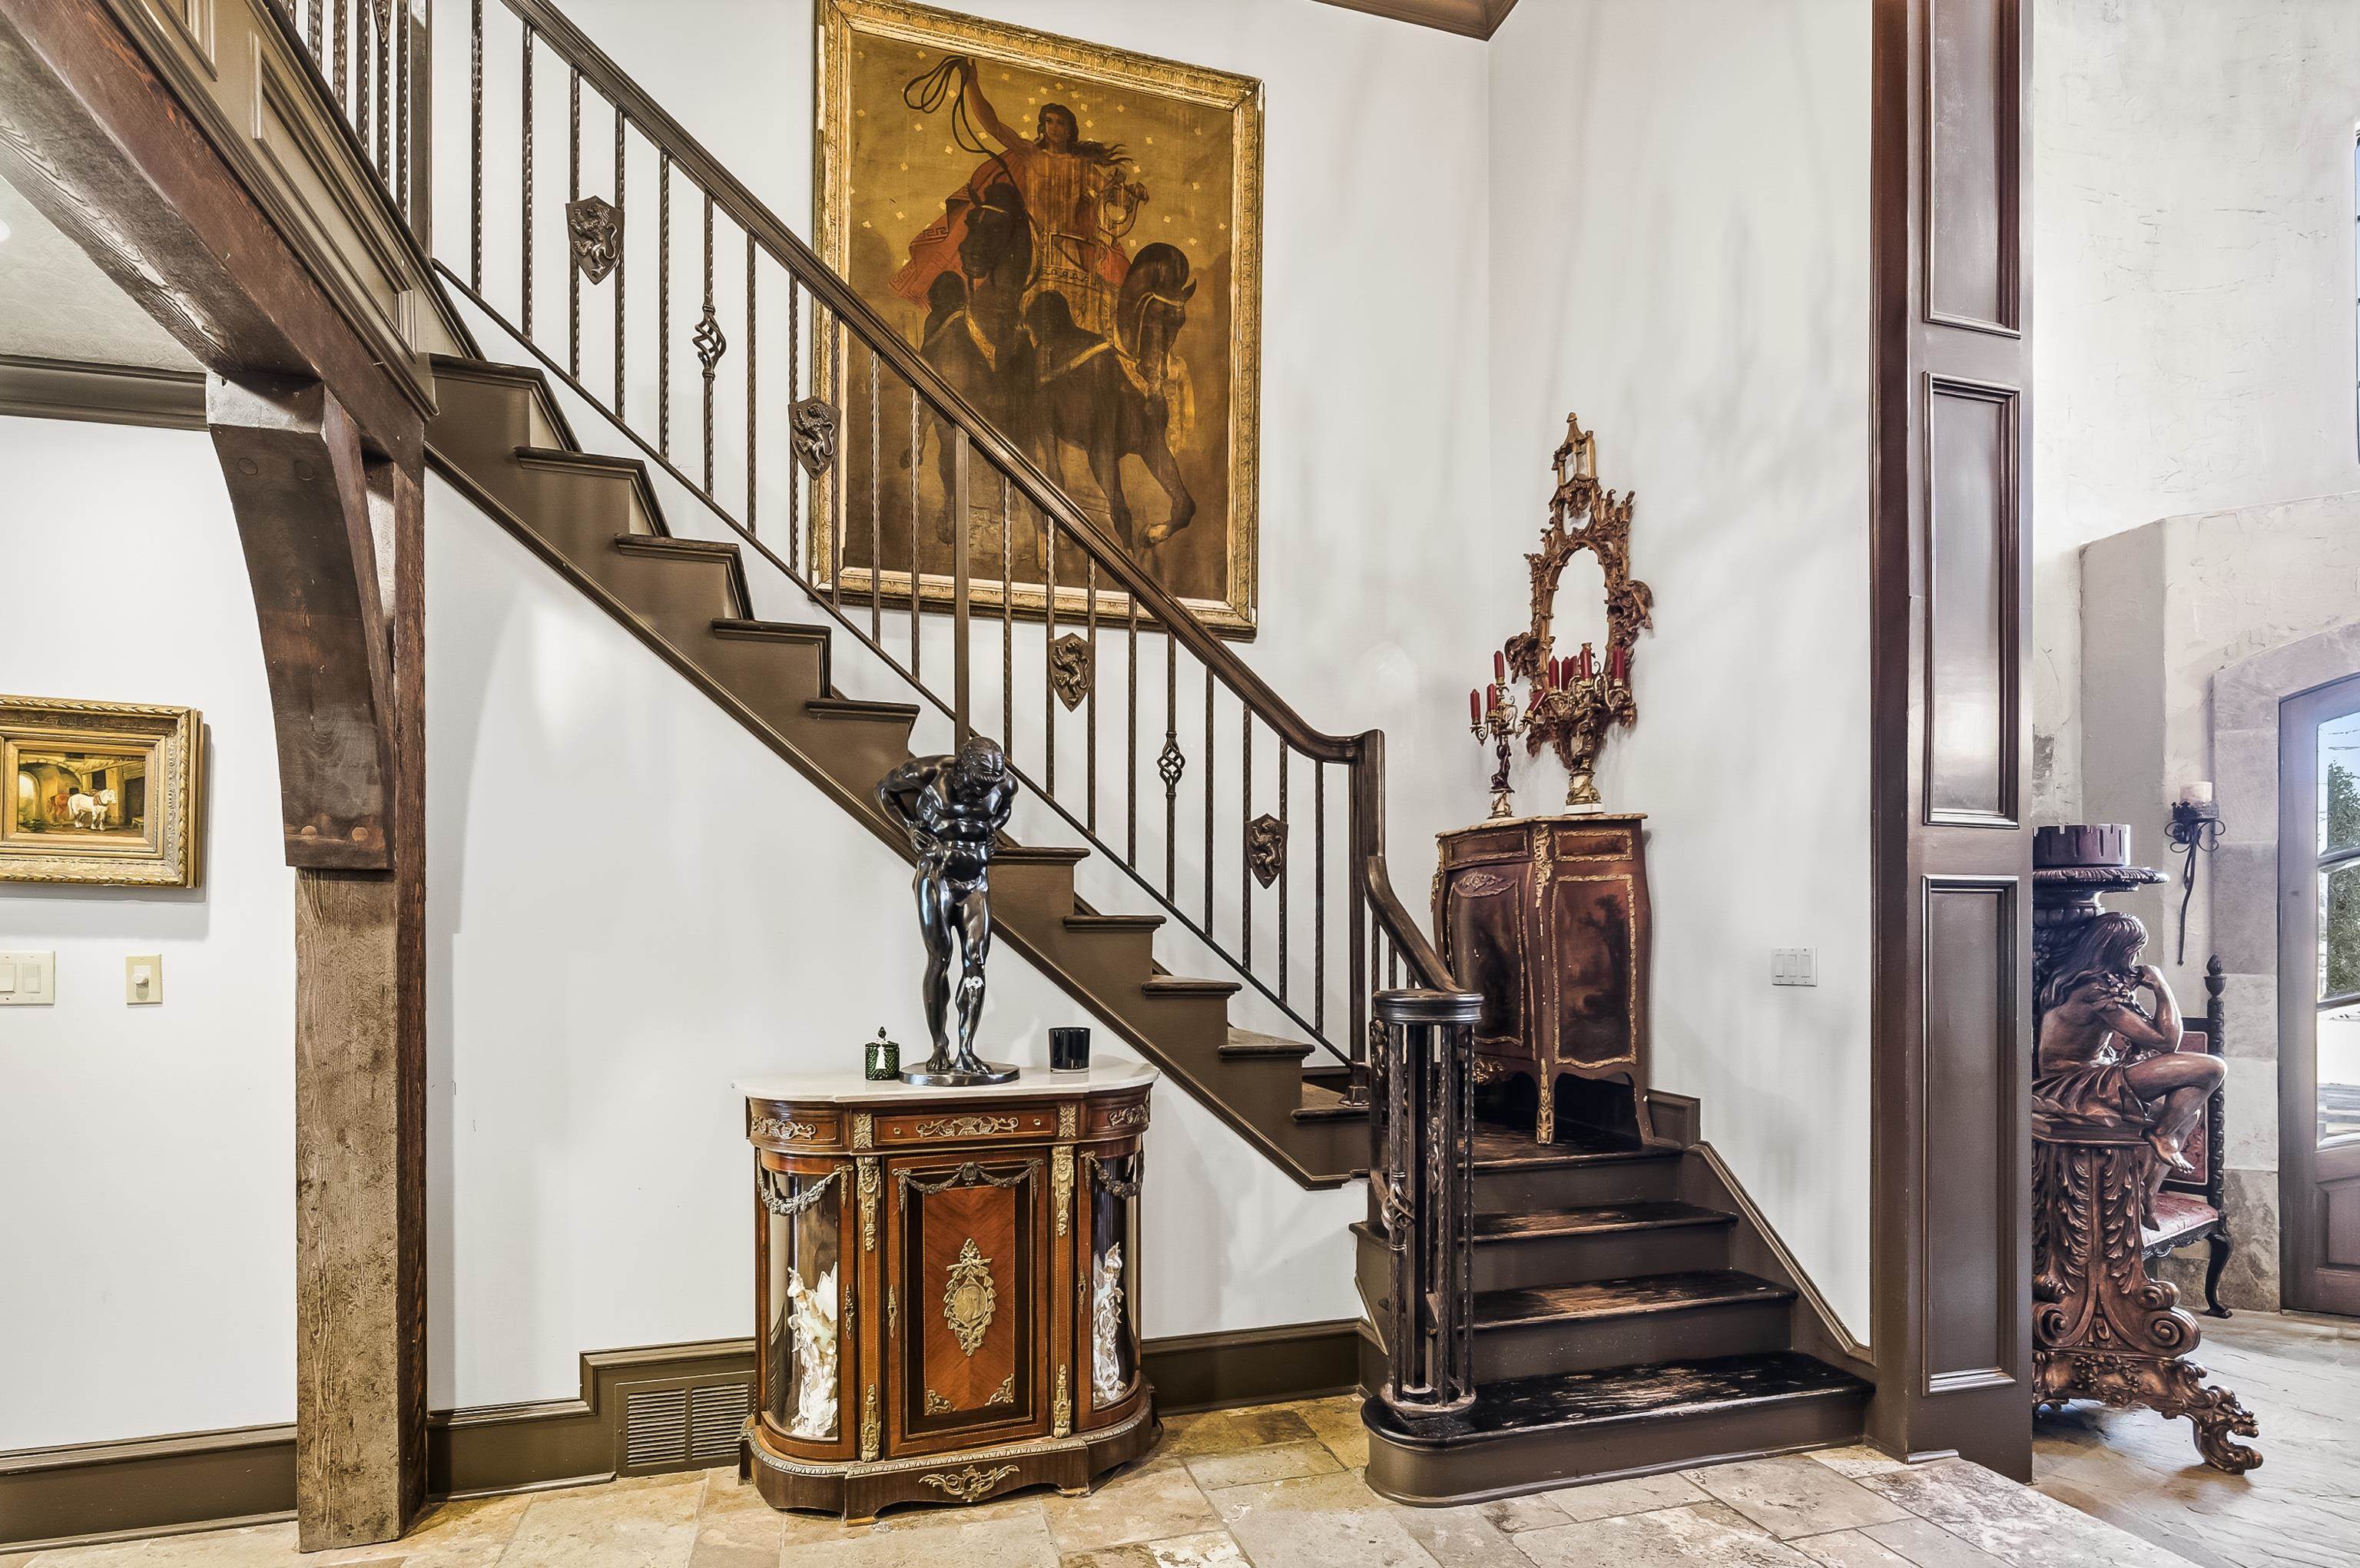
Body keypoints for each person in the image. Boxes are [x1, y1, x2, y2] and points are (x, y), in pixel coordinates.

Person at [891, 56, 1147, 340]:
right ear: (1042, 126)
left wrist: (1131, 194)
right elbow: (994, 127)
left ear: (1070, 130)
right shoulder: (1031, 154)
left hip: (1067, 244)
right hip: (1032, 238)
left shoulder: (1081, 167)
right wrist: (972, 84)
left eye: (1060, 123)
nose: (1054, 127)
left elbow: (1111, 195)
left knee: (1089, 302)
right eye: (1049, 122)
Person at [2034, 912, 2224, 1176]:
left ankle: (2145, 1194)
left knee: (2185, 1113)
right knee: (2212, 1068)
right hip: (2076, 1084)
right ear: (2118, 951)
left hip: (2096, 1072)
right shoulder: (2094, 991)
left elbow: (2153, 1033)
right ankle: (2161, 1134)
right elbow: (2166, 1041)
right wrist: (2161, 986)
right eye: (2134, 951)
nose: (2135, 959)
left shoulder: (2079, 981)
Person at [873, 736, 1019, 1080]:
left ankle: (967, 1048)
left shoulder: (1004, 785)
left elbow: (1004, 808)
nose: (979, 793)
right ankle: (939, 1044)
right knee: (940, 958)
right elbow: (884, 791)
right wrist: (910, 827)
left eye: (987, 788)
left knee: (976, 962)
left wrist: (991, 829)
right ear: (962, 768)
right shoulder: (928, 772)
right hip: (936, 875)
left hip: (976, 881)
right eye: (974, 785)